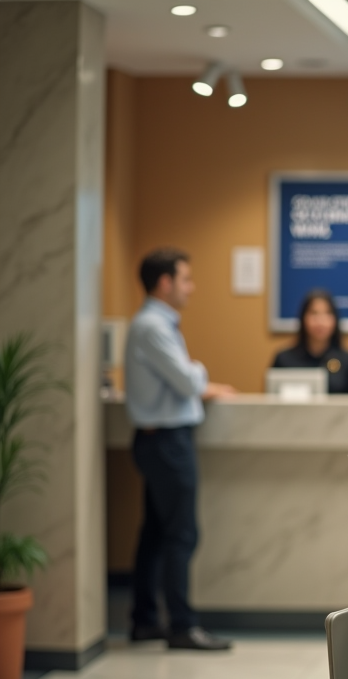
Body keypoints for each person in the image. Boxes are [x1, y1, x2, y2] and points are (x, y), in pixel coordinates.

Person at [124, 247, 236, 651]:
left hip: (160, 441)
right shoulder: (153, 326)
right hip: (167, 443)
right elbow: (187, 381)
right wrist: (200, 371)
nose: (192, 287)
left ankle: (145, 621)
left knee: (156, 533)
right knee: (181, 534)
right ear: (165, 282)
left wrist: (195, 378)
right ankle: (182, 627)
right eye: (186, 279)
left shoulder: (155, 324)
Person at [271, 288, 348, 394]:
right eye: (314, 313)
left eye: (327, 313)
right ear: (303, 318)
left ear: (335, 320)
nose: (320, 321)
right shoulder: (284, 359)